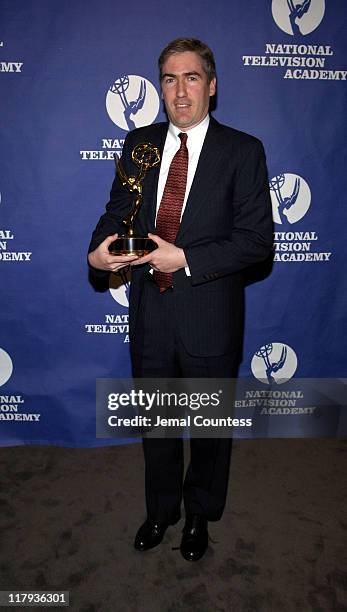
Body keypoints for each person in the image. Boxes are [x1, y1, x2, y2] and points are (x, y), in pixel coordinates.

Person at [88, 38, 273, 561]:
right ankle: (161, 509)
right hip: (152, 313)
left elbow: (258, 241)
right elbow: (116, 213)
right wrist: (98, 254)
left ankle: (199, 515)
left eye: (191, 78)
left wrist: (186, 257)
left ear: (211, 87)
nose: (180, 90)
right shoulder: (138, 144)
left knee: (210, 431)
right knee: (158, 423)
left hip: (209, 310)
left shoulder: (243, 150)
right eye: (169, 79)